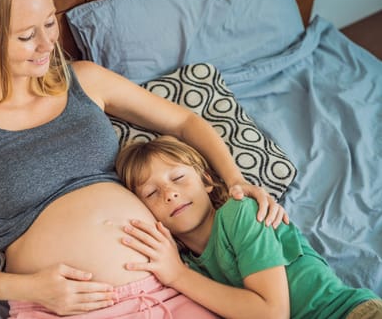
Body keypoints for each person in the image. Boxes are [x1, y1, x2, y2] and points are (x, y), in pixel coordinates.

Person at [0, 0, 287, 318]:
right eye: (25, 35)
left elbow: (184, 120)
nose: (46, 43)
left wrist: (236, 180)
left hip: (169, 286)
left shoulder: (83, 80)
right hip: (65, 308)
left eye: (50, 23)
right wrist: (31, 288)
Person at [115, 135, 382, 319]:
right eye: (151, 193)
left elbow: (272, 313)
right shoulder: (185, 264)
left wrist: (177, 276)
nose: (170, 194)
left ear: (207, 181)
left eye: (178, 178)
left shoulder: (238, 212)